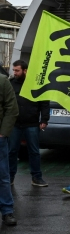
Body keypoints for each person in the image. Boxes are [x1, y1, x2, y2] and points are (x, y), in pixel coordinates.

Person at [8, 60, 50, 187]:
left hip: (32, 124)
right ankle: (9, 177)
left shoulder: (36, 84)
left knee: (34, 152)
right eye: (13, 70)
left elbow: (44, 102)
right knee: (12, 151)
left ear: (25, 70)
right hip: (14, 124)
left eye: (17, 70)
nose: (14, 73)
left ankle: (36, 177)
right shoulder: (10, 84)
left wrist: (44, 120)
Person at [0, 73, 19, 226]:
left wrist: (3, 133)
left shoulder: (2, 81)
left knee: (3, 176)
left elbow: (12, 108)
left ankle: (7, 211)